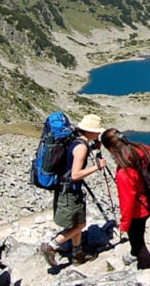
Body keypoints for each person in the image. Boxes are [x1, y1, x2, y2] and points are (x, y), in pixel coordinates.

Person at [40, 114, 106, 267]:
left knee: (77, 222)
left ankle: (77, 253)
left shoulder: (76, 141)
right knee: (80, 225)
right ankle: (52, 246)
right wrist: (97, 167)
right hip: (70, 191)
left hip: (66, 189)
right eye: (96, 131)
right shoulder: (81, 147)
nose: (98, 134)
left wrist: (93, 146)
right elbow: (75, 174)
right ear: (89, 131)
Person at [101, 128, 150, 269]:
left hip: (138, 211)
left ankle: (148, 271)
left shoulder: (124, 171)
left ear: (112, 149)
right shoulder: (143, 148)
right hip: (149, 200)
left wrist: (124, 224)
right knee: (139, 237)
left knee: (138, 243)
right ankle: (133, 254)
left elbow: (127, 201)